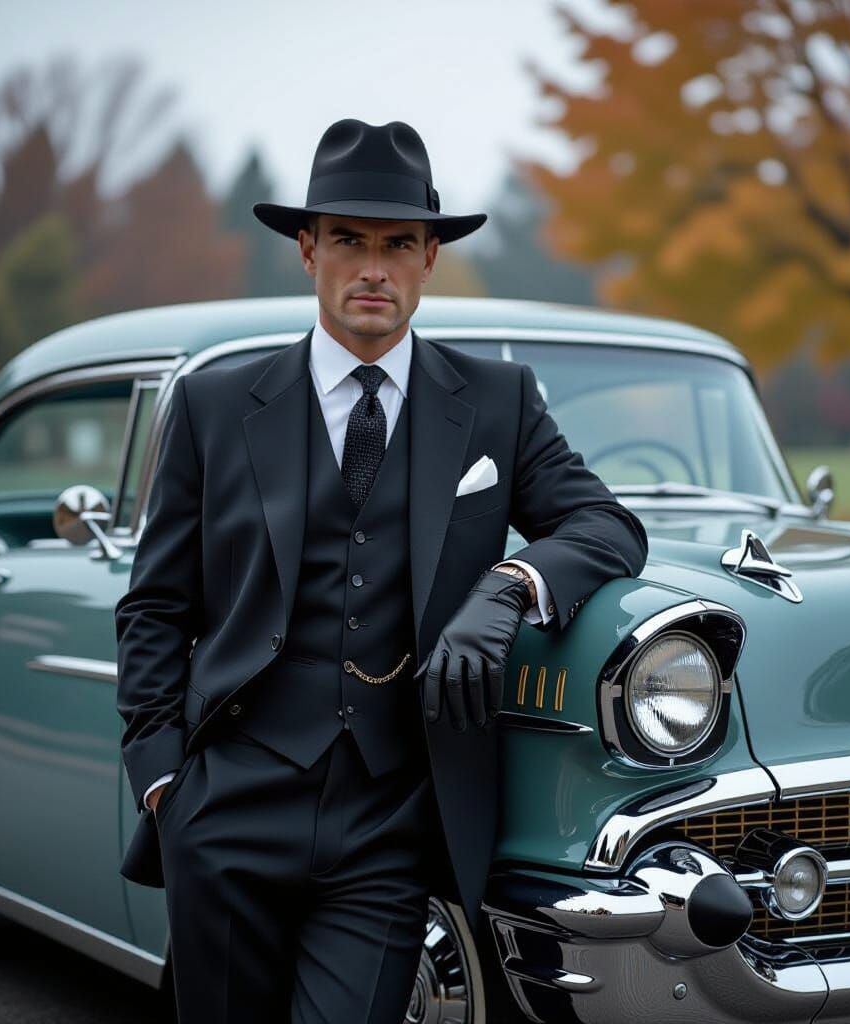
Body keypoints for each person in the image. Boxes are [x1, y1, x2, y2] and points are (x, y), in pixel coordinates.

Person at [114, 117, 648, 1023]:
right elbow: (157, 605)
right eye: (350, 242)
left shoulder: (494, 401)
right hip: (229, 804)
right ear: (306, 249)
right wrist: (165, 780)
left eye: (399, 244)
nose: (374, 268)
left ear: (431, 258)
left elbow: (605, 524)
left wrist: (509, 586)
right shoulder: (214, 406)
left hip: (389, 821)